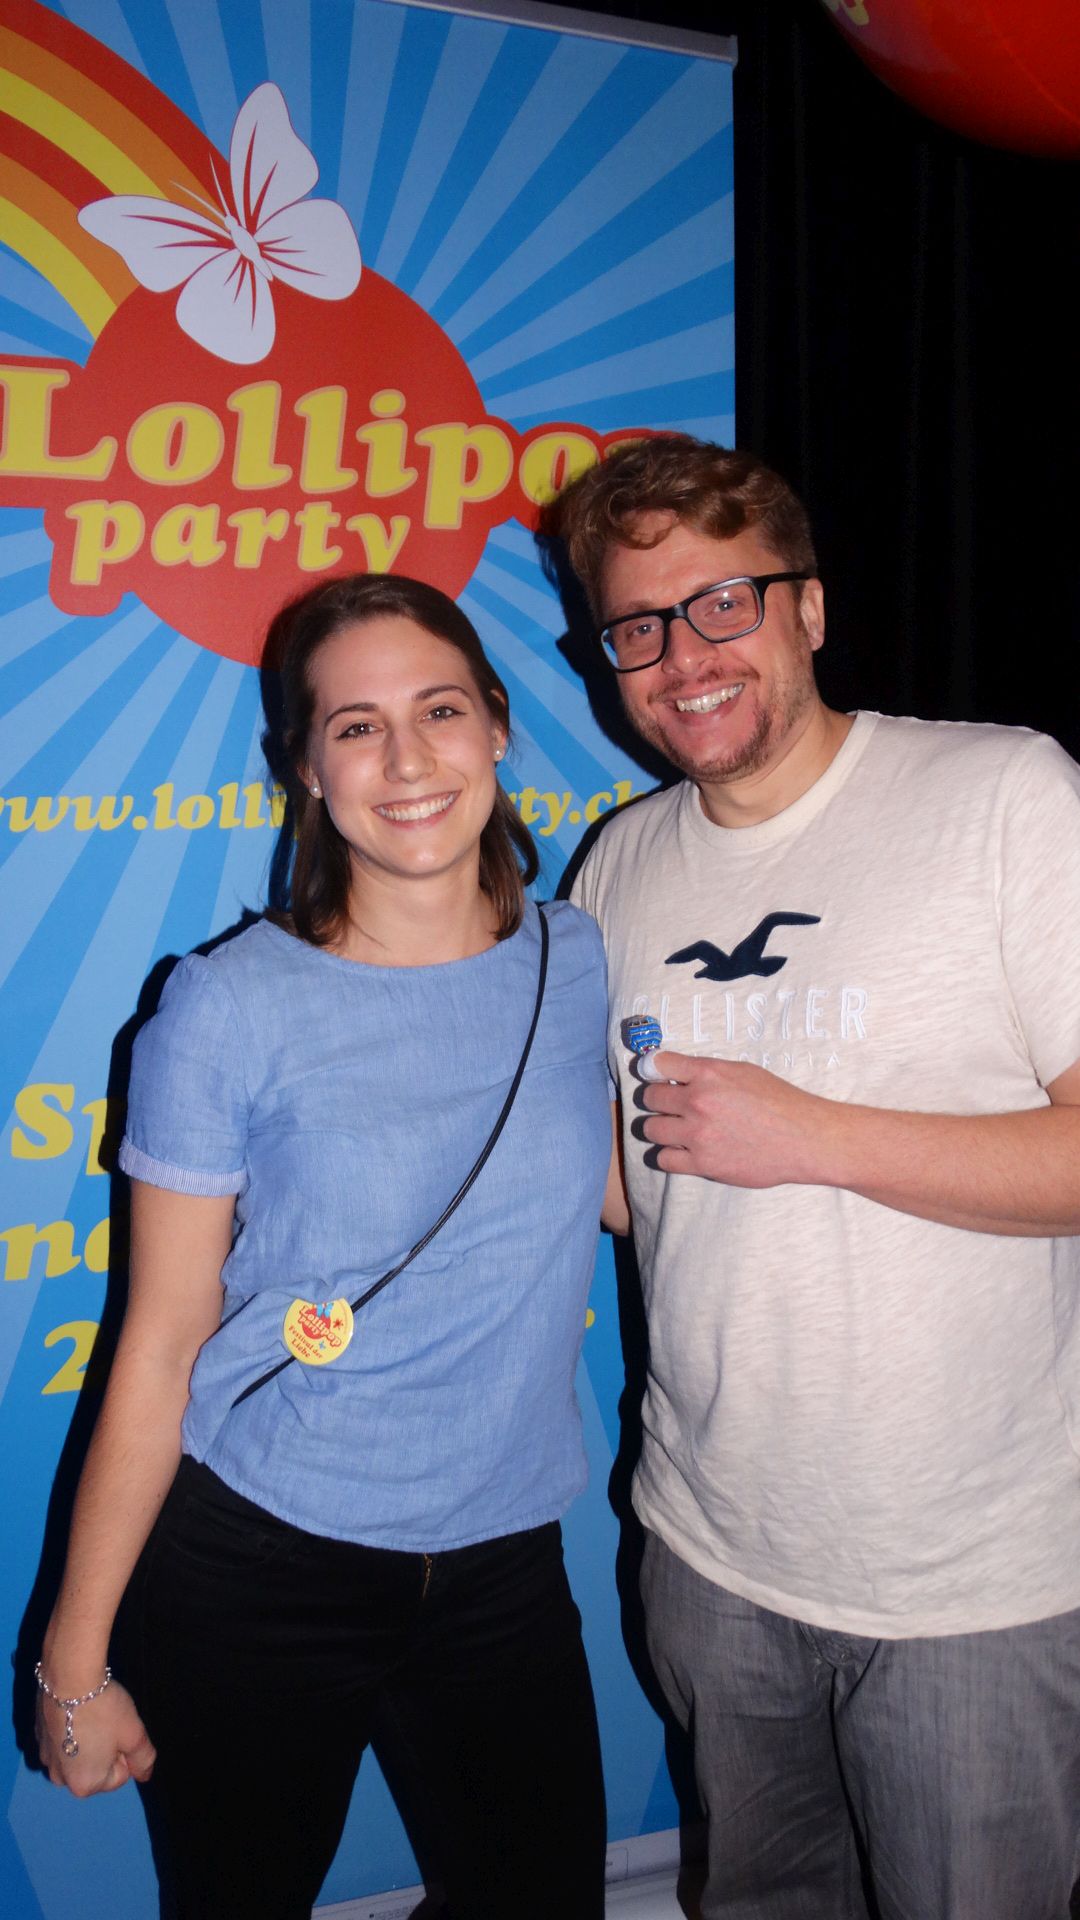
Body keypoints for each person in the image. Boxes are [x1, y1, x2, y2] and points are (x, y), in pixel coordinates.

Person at [34, 573, 621, 1920]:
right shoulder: (226, 1005)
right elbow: (161, 1345)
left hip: (504, 1566)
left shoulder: (578, 959)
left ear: (498, 727)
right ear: (304, 767)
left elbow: (624, 1194)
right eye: (357, 727)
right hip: (259, 1563)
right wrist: (76, 1659)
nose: (408, 760)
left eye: (441, 710)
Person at [553, 435, 1080, 1920]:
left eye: (724, 603)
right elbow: (636, 1188)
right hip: (710, 1553)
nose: (683, 657)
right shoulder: (617, 866)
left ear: (812, 608)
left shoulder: (1002, 792)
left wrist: (819, 1135)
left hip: (972, 1581)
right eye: (638, 627)